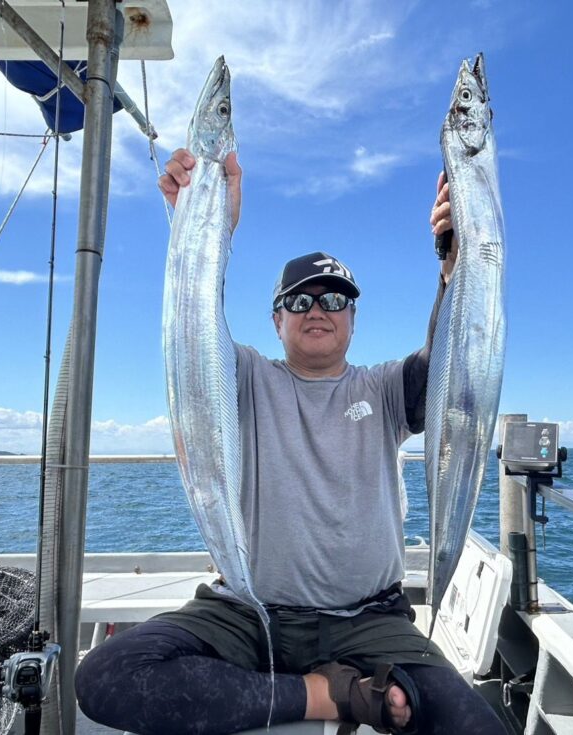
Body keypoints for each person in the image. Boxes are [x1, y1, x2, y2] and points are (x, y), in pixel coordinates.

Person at [74, 149, 506, 735]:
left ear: (353, 319)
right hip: (248, 612)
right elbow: (195, 325)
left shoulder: (385, 389)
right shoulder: (244, 377)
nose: (317, 310)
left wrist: (453, 266)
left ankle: (312, 689)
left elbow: (448, 363)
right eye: (299, 301)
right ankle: (332, 695)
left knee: (477, 726)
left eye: (334, 299)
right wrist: (204, 229)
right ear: (277, 321)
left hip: (370, 619)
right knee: (107, 676)